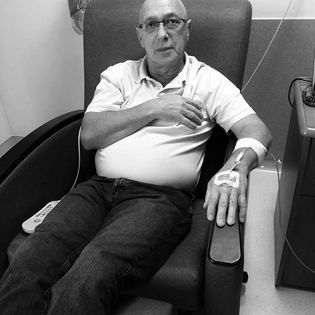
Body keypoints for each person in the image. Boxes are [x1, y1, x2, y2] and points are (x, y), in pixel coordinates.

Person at [0, 0, 272, 313]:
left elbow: (257, 130)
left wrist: (233, 170)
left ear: (188, 29)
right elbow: (90, 133)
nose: (163, 34)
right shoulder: (118, 76)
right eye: (151, 25)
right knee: (32, 259)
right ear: (140, 35)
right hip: (96, 189)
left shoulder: (207, 81)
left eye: (172, 22)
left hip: (159, 199)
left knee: (91, 271)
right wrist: (155, 107)